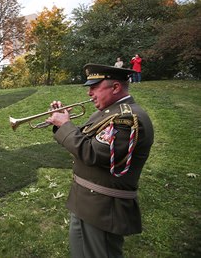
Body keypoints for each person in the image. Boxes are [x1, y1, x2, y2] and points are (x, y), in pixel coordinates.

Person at [46, 63, 154, 258]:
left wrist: (66, 126)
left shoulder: (126, 119)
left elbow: (92, 153)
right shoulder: (106, 112)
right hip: (87, 201)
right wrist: (63, 123)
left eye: (94, 87)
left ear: (115, 87)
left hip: (103, 207)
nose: (89, 93)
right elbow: (85, 139)